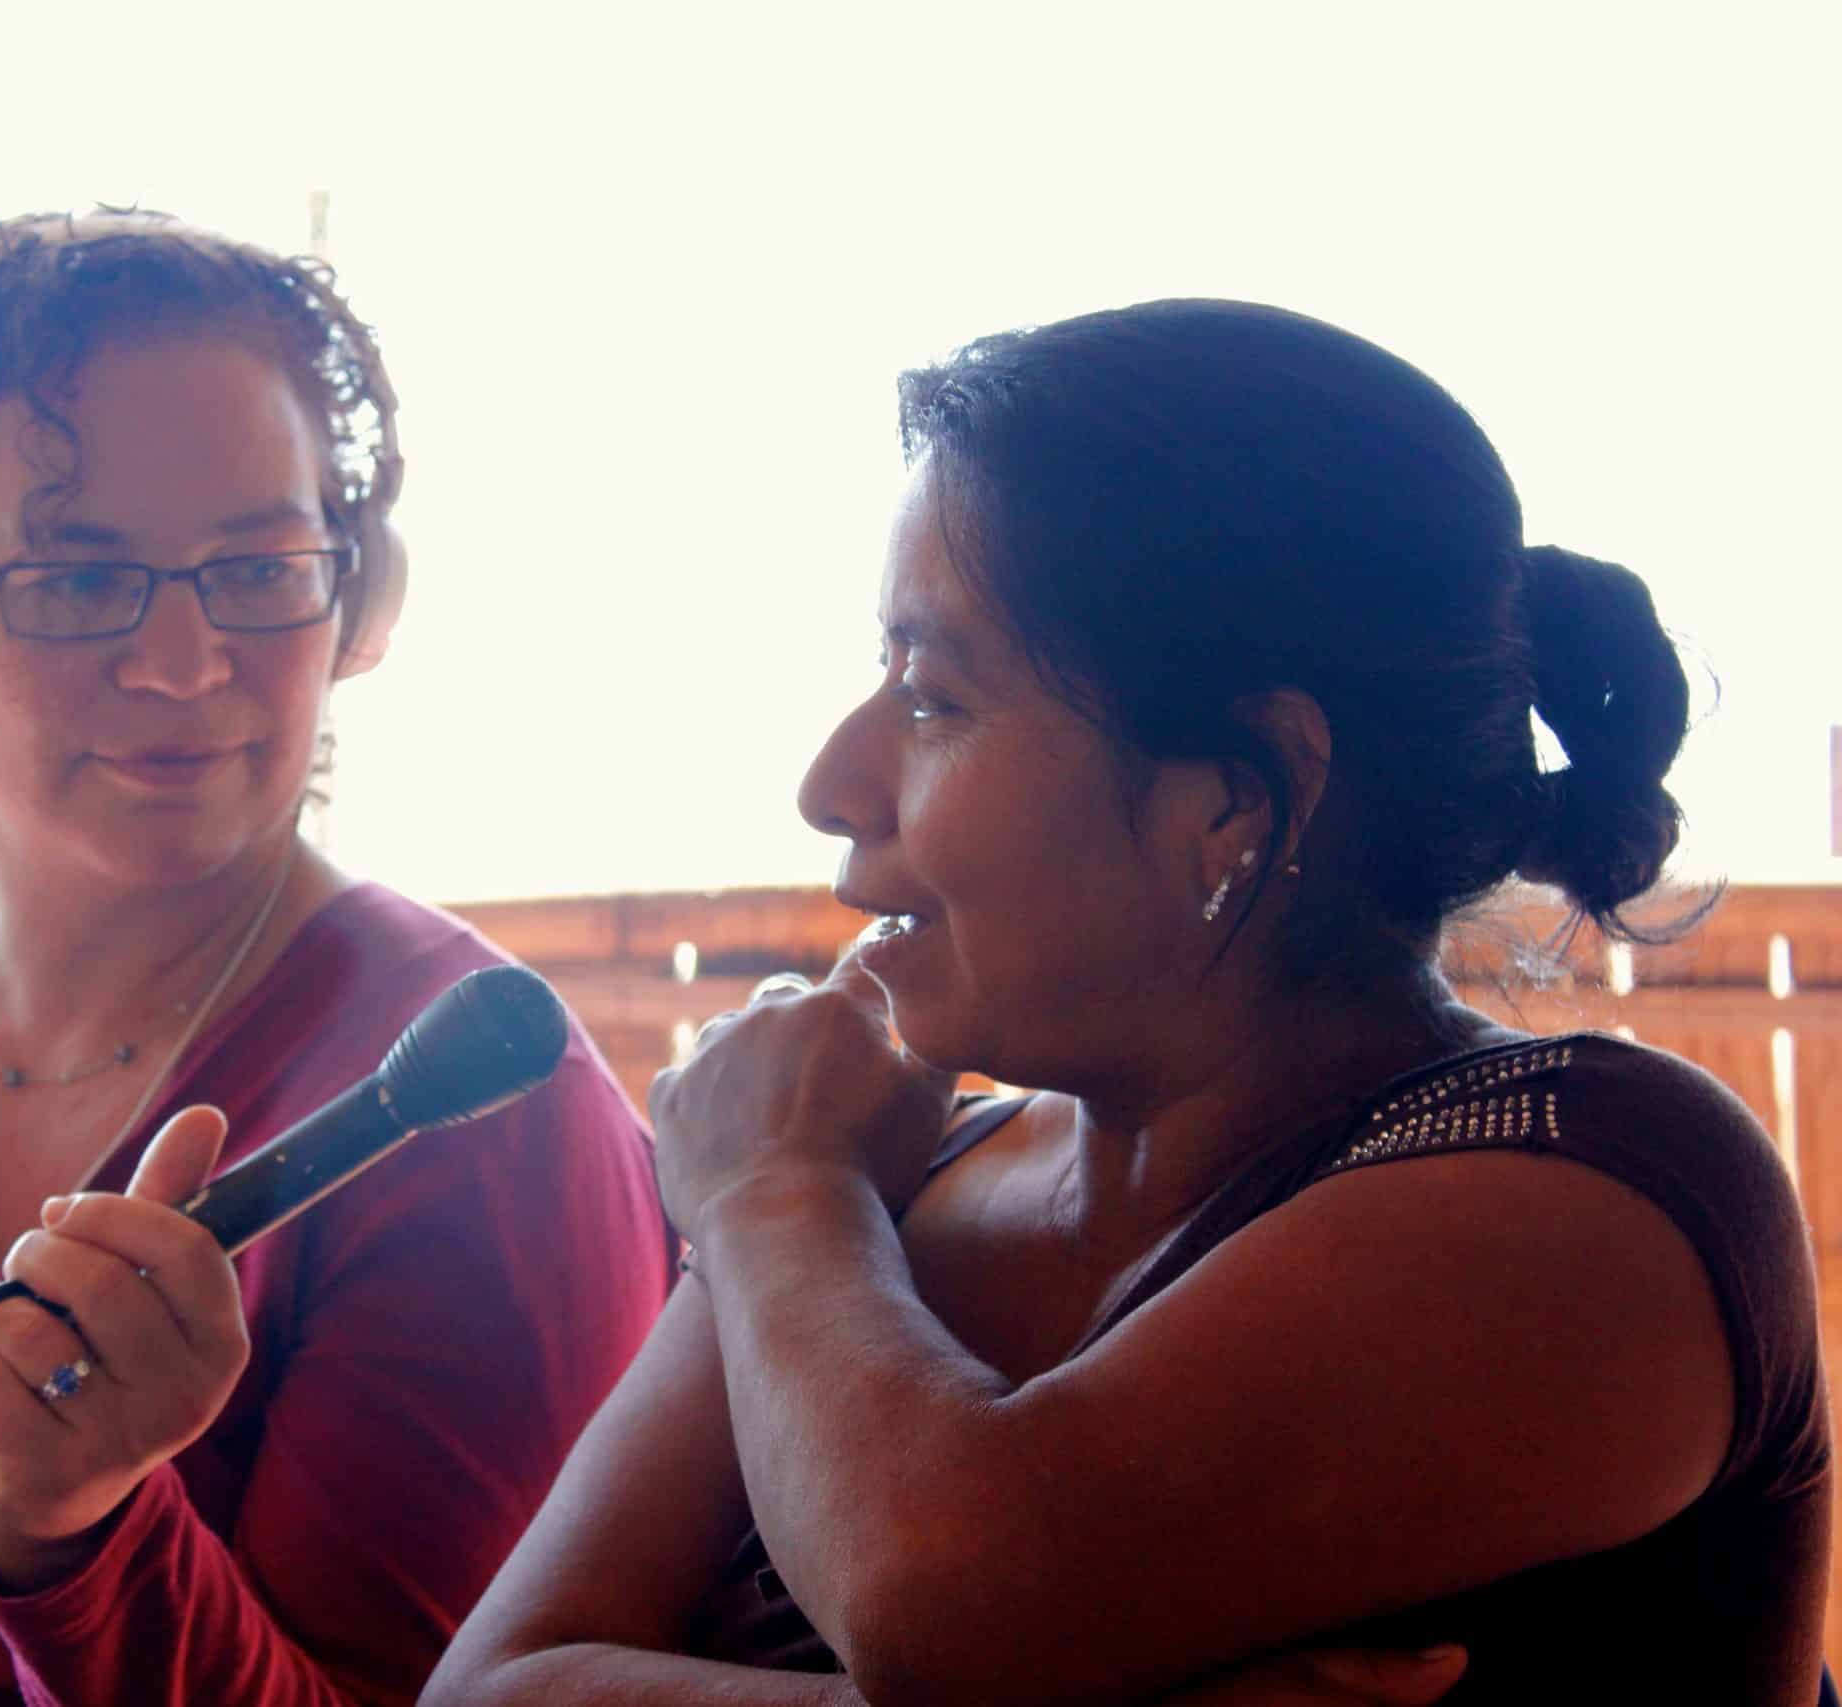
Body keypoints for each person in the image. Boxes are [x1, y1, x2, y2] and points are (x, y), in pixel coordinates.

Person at [423, 300, 1831, 1704]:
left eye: (934, 697)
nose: (833, 784)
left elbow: (949, 1607)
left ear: (1235, 794)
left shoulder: (1591, 1197)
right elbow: (486, 1692)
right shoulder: (897, 1189)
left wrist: (771, 1194)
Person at [0, 208, 672, 1705]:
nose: (185, 663)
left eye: (261, 567)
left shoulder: (472, 1112)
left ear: (361, 596)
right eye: (78, 582)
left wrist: (77, 1539)